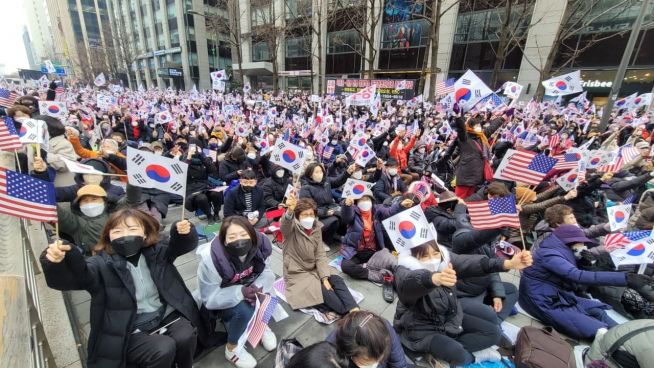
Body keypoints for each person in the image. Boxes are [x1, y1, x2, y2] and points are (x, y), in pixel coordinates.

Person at [41, 209, 205, 367]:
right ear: (109, 237)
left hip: (164, 314)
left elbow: (180, 245)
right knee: (163, 348)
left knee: (186, 335)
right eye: (117, 231)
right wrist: (57, 263)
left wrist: (183, 232)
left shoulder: (158, 253)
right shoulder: (100, 264)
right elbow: (74, 278)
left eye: (133, 229)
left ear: (145, 233)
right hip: (128, 327)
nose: (126, 236)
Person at [393, 240, 532, 366]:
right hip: (419, 330)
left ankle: (448, 348)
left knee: (493, 332)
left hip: (448, 314)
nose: (432, 260)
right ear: (412, 258)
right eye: (424, 256)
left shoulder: (445, 261)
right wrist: (434, 279)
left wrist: (508, 264)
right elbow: (408, 284)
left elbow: (469, 263)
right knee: (458, 354)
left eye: (435, 253)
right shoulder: (404, 271)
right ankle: (471, 357)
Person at [518, 223, 654, 340]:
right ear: (570, 241)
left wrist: (584, 263)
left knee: (598, 310)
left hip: (557, 296)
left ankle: (630, 336)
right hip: (541, 301)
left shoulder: (562, 251)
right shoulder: (549, 254)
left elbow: (575, 282)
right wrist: (626, 279)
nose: (583, 245)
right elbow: (577, 276)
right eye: (581, 242)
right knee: (600, 330)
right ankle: (623, 340)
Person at [197, 216, 277, 368]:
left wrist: (257, 288)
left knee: (267, 295)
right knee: (244, 311)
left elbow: (266, 271)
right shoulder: (211, 260)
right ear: (224, 241)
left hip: (251, 286)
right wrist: (240, 292)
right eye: (232, 237)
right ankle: (232, 348)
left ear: (252, 236)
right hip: (224, 298)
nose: (239, 240)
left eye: (244, 234)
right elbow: (209, 297)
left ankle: (260, 325)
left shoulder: (262, 248)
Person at [281, 195, 359, 315]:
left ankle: (354, 309)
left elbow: (320, 254)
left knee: (336, 280)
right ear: (297, 216)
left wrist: (324, 278)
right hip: (297, 272)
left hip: (315, 268)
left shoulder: (316, 227)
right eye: (304, 215)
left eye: (311, 214)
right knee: (325, 292)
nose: (309, 218)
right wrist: (290, 211)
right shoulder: (291, 229)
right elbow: (285, 225)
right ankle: (349, 315)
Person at [340, 190, 413, 283]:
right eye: (361, 200)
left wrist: (400, 205)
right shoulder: (353, 211)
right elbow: (346, 217)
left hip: (374, 251)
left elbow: (389, 212)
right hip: (356, 251)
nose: (365, 202)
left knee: (394, 263)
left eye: (367, 199)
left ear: (371, 201)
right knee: (345, 266)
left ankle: (407, 279)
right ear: (357, 202)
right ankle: (371, 274)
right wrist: (346, 205)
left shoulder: (377, 210)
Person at [326, 311, 409, 368]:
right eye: (367, 364)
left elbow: (398, 362)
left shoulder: (384, 329)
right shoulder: (331, 358)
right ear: (349, 353)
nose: (376, 364)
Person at [299, 162, 355, 245]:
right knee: (334, 221)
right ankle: (324, 240)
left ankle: (340, 235)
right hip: (318, 215)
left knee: (345, 215)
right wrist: (325, 213)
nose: (320, 174)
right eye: (316, 172)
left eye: (321, 171)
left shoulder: (326, 181)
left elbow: (337, 181)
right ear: (310, 174)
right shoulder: (305, 188)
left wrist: (347, 173)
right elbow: (307, 208)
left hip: (331, 207)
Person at [56, 184, 110, 256]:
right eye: (85, 200)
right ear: (79, 205)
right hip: (92, 260)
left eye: (94, 199)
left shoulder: (115, 216)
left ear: (104, 201)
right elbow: (59, 215)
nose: (90, 203)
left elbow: (129, 199)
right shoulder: (75, 221)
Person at [39, 115, 79, 187]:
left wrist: (43, 154)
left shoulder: (63, 143)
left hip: (60, 187)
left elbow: (65, 163)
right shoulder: (36, 142)